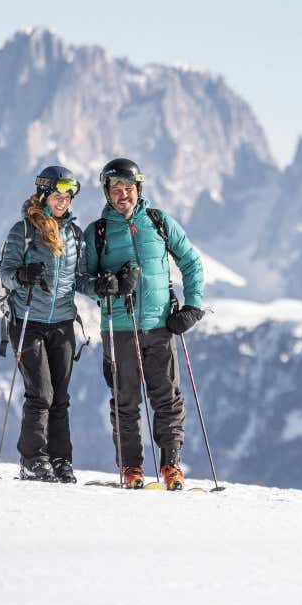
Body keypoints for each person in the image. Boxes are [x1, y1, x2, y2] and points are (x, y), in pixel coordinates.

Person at [84, 157, 205, 490]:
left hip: (160, 326)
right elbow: (81, 278)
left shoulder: (159, 222)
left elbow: (192, 262)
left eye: (128, 188)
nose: (123, 194)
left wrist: (192, 307)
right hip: (119, 329)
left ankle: (171, 467)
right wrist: (101, 285)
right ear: (106, 193)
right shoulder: (98, 233)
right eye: (115, 189)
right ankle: (131, 469)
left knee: (167, 399)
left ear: (139, 188)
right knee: (125, 402)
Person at [0, 165, 93, 483]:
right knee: (41, 394)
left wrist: (105, 286)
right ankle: (33, 460)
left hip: (62, 324)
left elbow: (78, 280)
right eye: (57, 194)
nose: (63, 200)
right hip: (28, 321)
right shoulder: (23, 231)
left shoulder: (74, 235)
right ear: (43, 195)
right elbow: (6, 275)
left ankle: (60, 460)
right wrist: (22, 276)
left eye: (68, 195)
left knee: (60, 398)